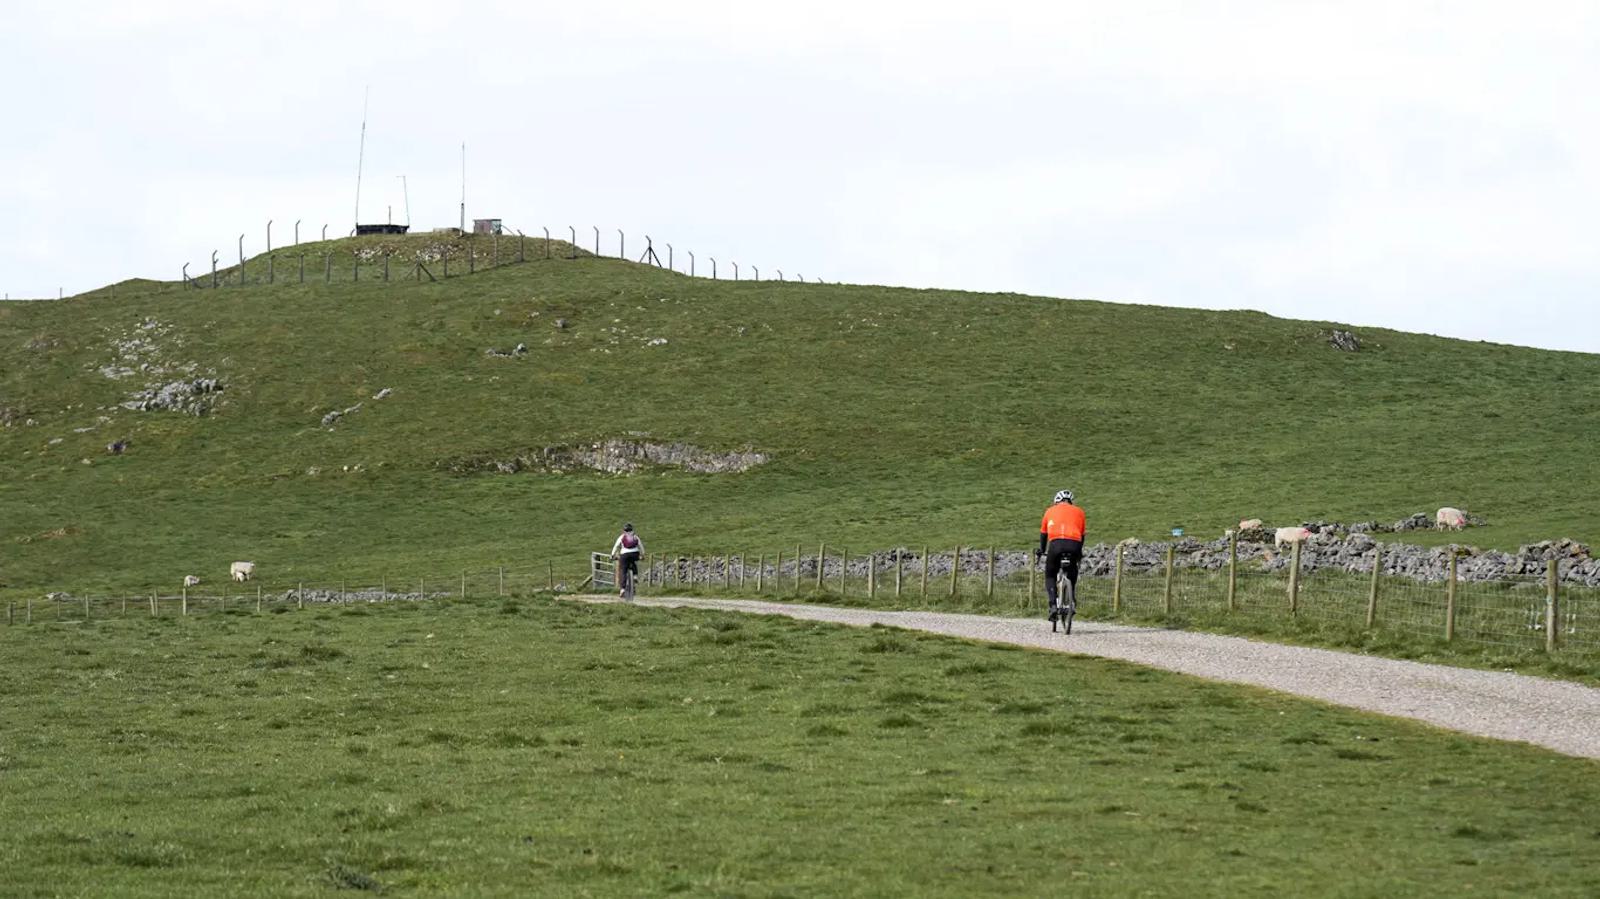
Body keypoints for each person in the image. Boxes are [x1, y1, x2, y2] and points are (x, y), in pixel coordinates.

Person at [1037, 490, 1085, 620]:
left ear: (1056, 502)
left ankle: (1053, 605)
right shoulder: (1079, 511)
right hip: (1074, 544)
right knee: (1073, 570)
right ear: (1071, 501)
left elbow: (1043, 534)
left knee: (1050, 574)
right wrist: (1079, 553)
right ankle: (1072, 599)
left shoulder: (1049, 511)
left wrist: (1041, 550)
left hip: (1056, 544)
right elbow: (1082, 535)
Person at [611, 523, 643, 599]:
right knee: (633, 563)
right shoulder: (635, 536)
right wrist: (643, 555)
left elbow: (616, 546)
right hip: (635, 554)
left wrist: (612, 555)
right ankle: (635, 576)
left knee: (623, 571)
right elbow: (641, 546)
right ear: (632, 529)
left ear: (624, 530)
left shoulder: (622, 537)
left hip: (624, 555)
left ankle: (622, 589)